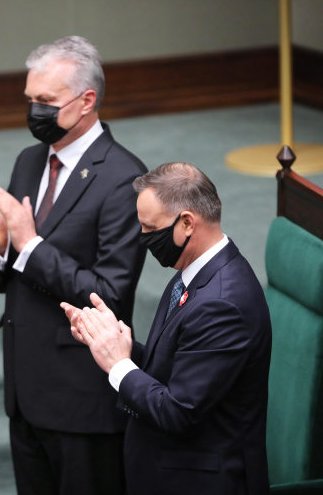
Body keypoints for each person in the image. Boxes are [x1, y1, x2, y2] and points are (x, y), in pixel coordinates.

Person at [0, 36, 147, 495]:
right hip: (26, 395)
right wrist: (2, 248)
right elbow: (6, 279)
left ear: (86, 101)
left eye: (46, 101)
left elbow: (109, 295)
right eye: (30, 100)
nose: (34, 112)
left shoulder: (123, 177)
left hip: (81, 402)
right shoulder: (29, 162)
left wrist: (29, 246)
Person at [62, 163, 272, 495]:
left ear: (187, 222)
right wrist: (117, 343)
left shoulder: (222, 304)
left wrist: (118, 366)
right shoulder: (193, 274)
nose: (143, 238)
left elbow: (178, 412)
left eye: (149, 227)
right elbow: (181, 362)